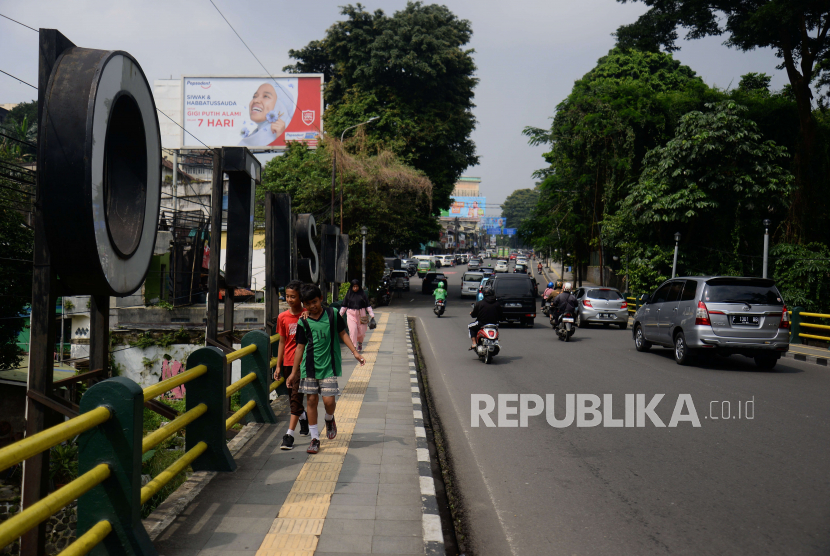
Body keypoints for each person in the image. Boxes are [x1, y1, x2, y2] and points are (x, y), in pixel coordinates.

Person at [288, 284, 365, 454]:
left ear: (321, 299)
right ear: (304, 305)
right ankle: (315, 438)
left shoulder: (332, 314)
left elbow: (343, 333)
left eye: (314, 302)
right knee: (311, 401)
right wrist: (294, 373)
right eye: (307, 304)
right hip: (309, 368)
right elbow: (300, 347)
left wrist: (355, 353)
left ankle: (329, 419)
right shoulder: (304, 320)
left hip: (328, 367)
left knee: (329, 402)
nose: (312, 306)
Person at [275, 281, 309, 450]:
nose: (289, 299)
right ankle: (303, 418)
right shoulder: (283, 317)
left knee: (296, 398)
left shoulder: (307, 314)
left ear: (300, 297)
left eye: (293, 296)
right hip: (287, 362)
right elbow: (282, 341)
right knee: (292, 399)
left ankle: (289, 435)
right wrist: (278, 365)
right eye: (287, 296)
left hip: (302, 363)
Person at [339, 279, 375, 353]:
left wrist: (372, 315)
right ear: (351, 287)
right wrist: (340, 315)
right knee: (353, 331)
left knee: (362, 332)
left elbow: (368, 305)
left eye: (357, 286)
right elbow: (344, 305)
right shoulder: (349, 294)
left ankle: (360, 343)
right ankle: (354, 348)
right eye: (354, 286)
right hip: (351, 314)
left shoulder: (362, 294)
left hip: (361, 315)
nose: (355, 288)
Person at [468, 284, 503, 350]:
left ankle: (474, 343)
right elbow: (501, 315)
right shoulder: (497, 304)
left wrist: (471, 313)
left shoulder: (480, 303)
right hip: (494, 324)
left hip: (482, 323)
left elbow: (474, 315)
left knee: (470, 327)